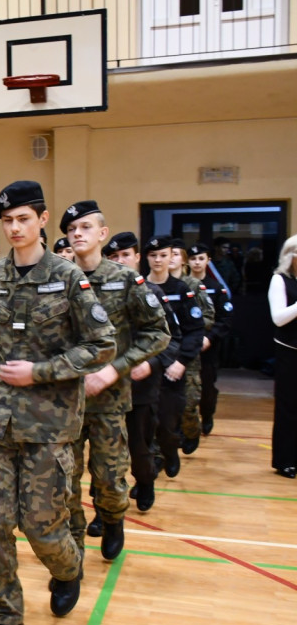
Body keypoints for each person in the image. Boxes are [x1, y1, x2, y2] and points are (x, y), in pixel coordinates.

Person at [0, 181, 116, 625]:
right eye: (7, 221)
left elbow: (102, 343)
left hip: (49, 424)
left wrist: (41, 372)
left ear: (42, 220)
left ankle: (67, 567)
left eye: (23, 218)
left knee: (42, 526)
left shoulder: (67, 277)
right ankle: (7, 617)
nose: (15, 228)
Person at [61, 203, 168, 560]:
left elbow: (157, 333)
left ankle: (112, 519)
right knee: (65, 480)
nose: (78, 233)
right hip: (65, 401)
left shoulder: (125, 280)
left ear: (102, 234)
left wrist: (116, 368)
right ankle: (71, 548)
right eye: (72, 228)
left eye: (86, 227)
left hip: (110, 400)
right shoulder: (57, 279)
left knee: (108, 477)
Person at [104, 232, 181, 512]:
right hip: (106, 389)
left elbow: (173, 338)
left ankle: (146, 481)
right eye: (113, 256)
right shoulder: (96, 292)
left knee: (139, 448)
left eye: (125, 255)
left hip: (141, 388)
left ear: (137, 258)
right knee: (106, 456)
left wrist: (151, 364)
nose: (120, 261)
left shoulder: (151, 292)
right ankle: (107, 510)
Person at [143, 235, 204, 481]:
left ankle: (170, 450)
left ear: (172, 257)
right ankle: (153, 463)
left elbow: (194, 330)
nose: (158, 260)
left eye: (164, 255)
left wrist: (181, 362)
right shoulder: (139, 287)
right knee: (147, 424)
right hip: (147, 367)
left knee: (169, 422)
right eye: (153, 255)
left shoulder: (182, 290)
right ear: (145, 258)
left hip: (175, 366)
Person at [170, 238, 213, 455]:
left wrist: (187, 327)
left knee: (188, 404)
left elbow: (207, 316)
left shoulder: (193, 286)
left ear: (183, 260)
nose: (171, 257)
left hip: (188, 353)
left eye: (176, 254)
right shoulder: (154, 285)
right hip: (165, 352)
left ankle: (192, 430)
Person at [187, 242, 234, 435]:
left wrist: (209, 339)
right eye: (193, 259)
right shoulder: (183, 285)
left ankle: (207, 415)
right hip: (186, 347)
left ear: (208, 260)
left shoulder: (216, 288)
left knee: (206, 386)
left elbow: (225, 320)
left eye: (201, 258)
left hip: (208, 347)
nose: (197, 263)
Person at [268, 235, 297, 478]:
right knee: (288, 407)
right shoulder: (280, 280)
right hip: (289, 351)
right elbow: (278, 317)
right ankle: (285, 460)